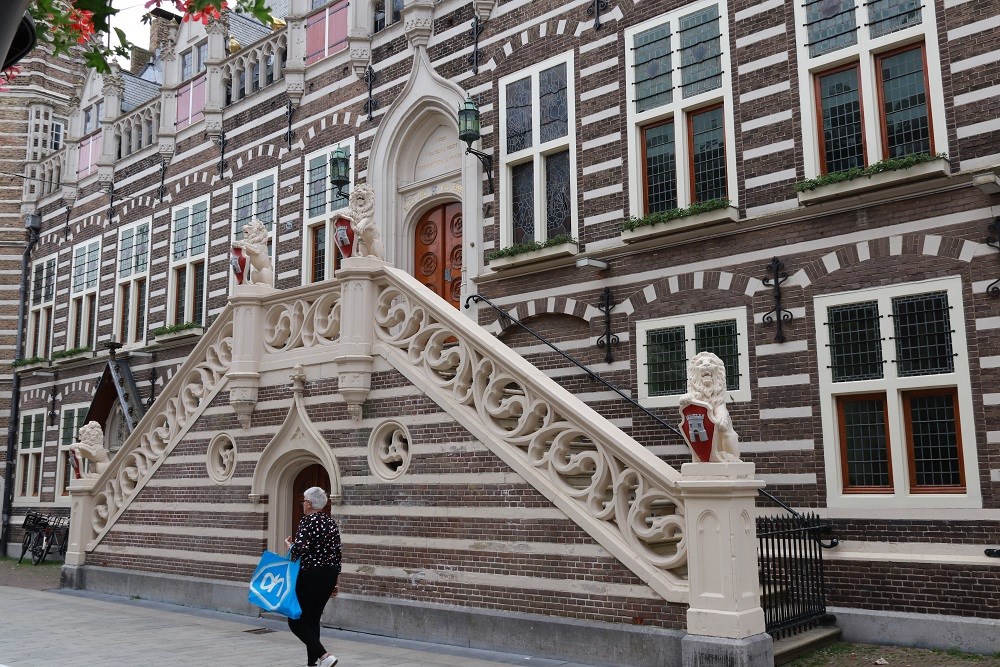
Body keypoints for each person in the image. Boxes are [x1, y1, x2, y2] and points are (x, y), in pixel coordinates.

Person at [285, 486, 342, 667]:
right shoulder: (331, 523)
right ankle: (313, 663)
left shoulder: (308, 521)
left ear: (309, 504)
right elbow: (337, 553)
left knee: (296, 621)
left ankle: (325, 656)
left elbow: (300, 551)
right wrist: (335, 578)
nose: (303, 505)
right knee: (313, 618)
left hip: (311, 574)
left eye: (303, 502)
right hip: (330, 575)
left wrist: (290, 547)